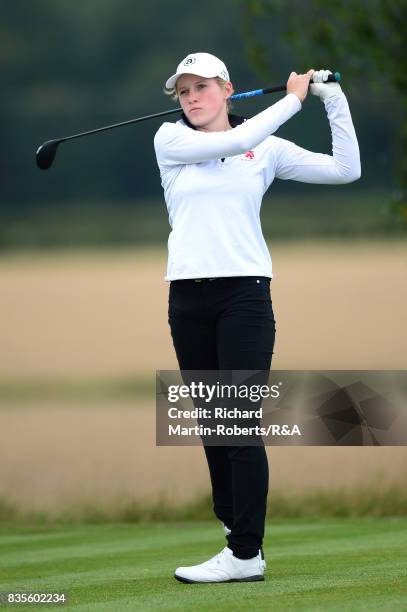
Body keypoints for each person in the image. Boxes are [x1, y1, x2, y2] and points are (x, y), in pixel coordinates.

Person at [153, 52, 361, 584]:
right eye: (184, 91)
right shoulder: (171, 140)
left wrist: (329, 98)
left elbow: (345, 169)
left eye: (202, 87)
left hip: (244, 298)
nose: (192, 98)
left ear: (228, 90)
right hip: (187, 301)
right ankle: (235, 540)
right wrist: (292, 100)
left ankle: (246, 553)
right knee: (211, 426)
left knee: (239, 425)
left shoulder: (265, 147)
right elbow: (234, 142)